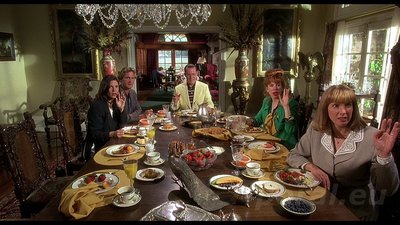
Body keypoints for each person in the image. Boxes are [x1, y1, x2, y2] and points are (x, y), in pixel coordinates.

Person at [287, 84, 399, 220]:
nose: (343, 112)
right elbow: (293, 154)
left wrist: (384, 156)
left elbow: (388, 188)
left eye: (348, 105)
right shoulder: (316, 130)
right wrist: (311, 167)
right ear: (325, 108)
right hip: (318, 202)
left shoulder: (373, 137)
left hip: (355, 210)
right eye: (336, 106)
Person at [252, 68, 298, 149]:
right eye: (271, 85)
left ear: (283, 87)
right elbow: (257, 121)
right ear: (267, 88)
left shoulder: (292, 104)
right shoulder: (266, 101)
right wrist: (243, 120)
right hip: (268, 142)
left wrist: (286, 107)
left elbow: (290, 131)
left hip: (285, 145)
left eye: (278, 85)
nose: (275, 88)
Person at [85, 75, 127, 159]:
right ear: (105, 88)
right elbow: (94, 134)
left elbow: (122, 126)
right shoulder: (97, 106)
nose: (114, 90)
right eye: (110, 87)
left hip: (112, 144)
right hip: (98, 148)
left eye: (116, 86)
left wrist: (121, 109)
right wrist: (111, 134)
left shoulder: (115, 102)